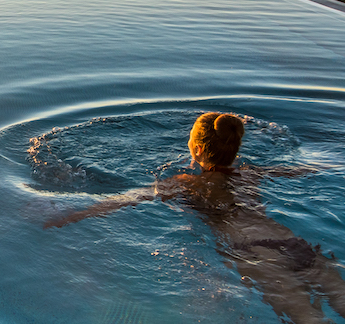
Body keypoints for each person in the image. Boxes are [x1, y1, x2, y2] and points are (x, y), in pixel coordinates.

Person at [45, 112, 345, 324]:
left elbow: (125, 201)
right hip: (293, 243)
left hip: (255, 254)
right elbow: (305, 169)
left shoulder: (184, 183)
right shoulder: (252, 175)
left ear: (197, 149)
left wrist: (70, 216)